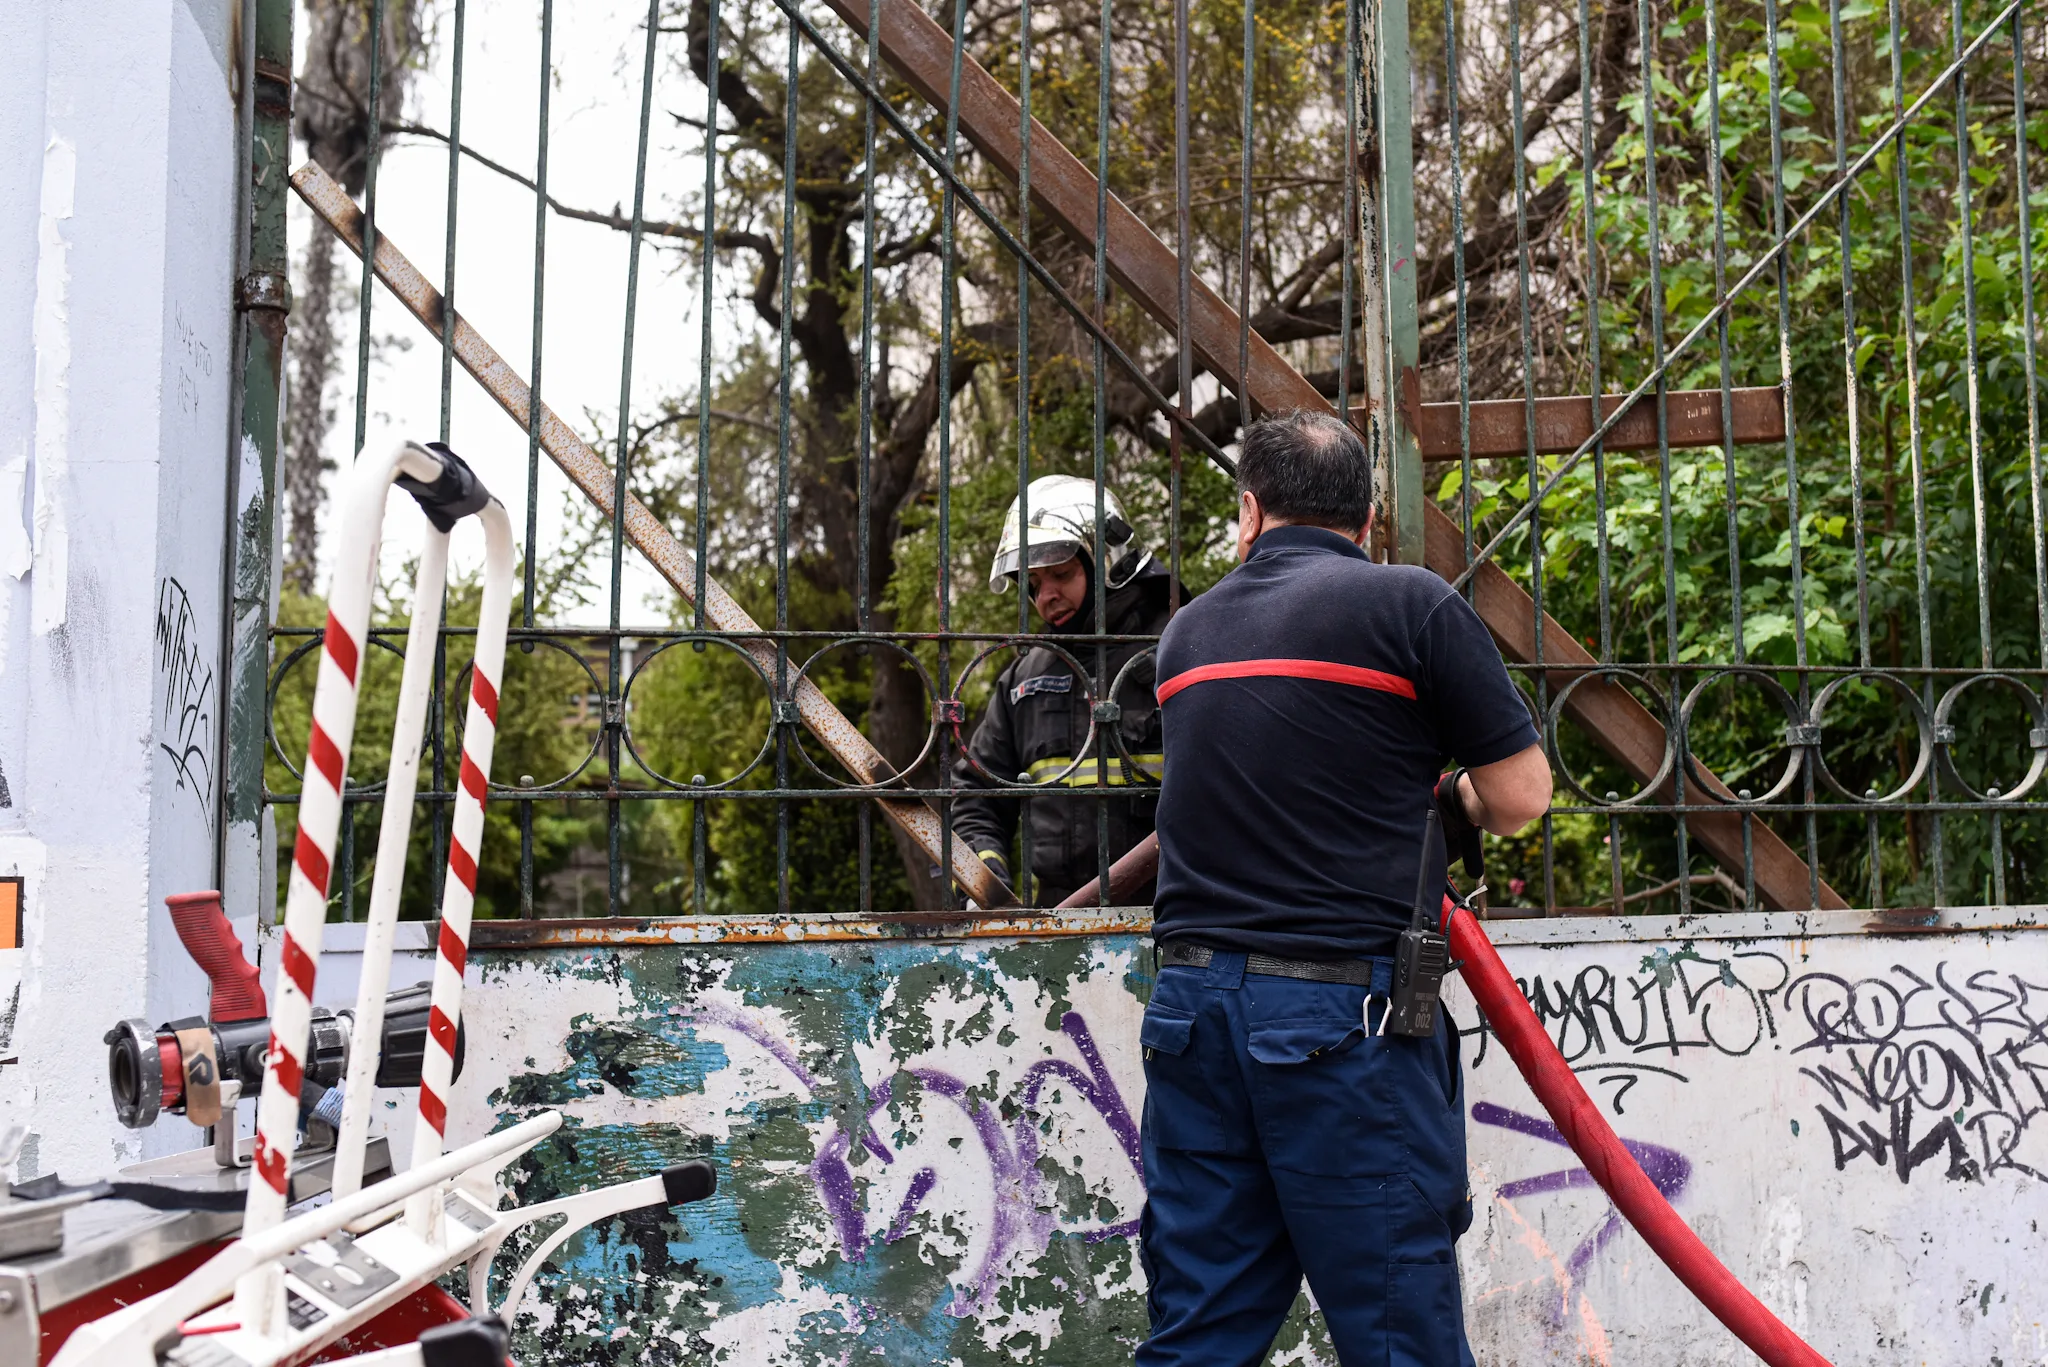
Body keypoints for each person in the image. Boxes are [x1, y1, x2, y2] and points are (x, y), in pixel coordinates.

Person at [1137, 410, 1552, 1367]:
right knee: (1398, 1333)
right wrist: (1449, 799)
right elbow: (1521, 795)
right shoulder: (1410, 605)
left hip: (1192, 1016)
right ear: (1368, 519)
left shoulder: (1185, 636)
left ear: (1250, 513)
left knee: (1201, 1333)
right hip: (1338, 1030)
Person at [952, 475, 1187, 907]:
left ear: (1109, 562)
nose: (1046, 597)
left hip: (1172, 914)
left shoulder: (1182, 648)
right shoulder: (1023, 681)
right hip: (1060, 922)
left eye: (1061, 574)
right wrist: (984, 877)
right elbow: (974, 795)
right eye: (1033, 582)